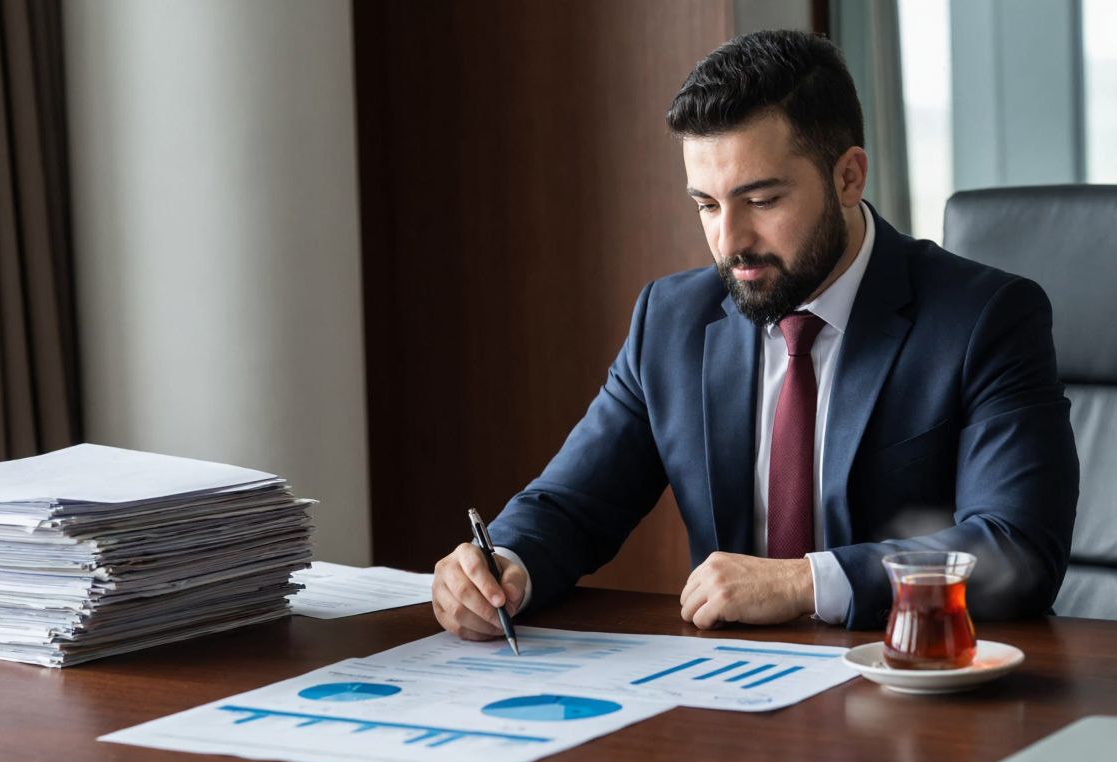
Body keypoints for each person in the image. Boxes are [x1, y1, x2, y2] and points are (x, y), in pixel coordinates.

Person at [431, 29, 1078, 638]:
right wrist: (504, 564)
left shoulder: (985, 316)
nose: (729, 241)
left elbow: (1015, 548)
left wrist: (805, 582)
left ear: (849, 176)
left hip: (910, 680)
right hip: (735, 694)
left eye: (762, 201)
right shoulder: (672, 320)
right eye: (707, 206)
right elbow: (572, 504)